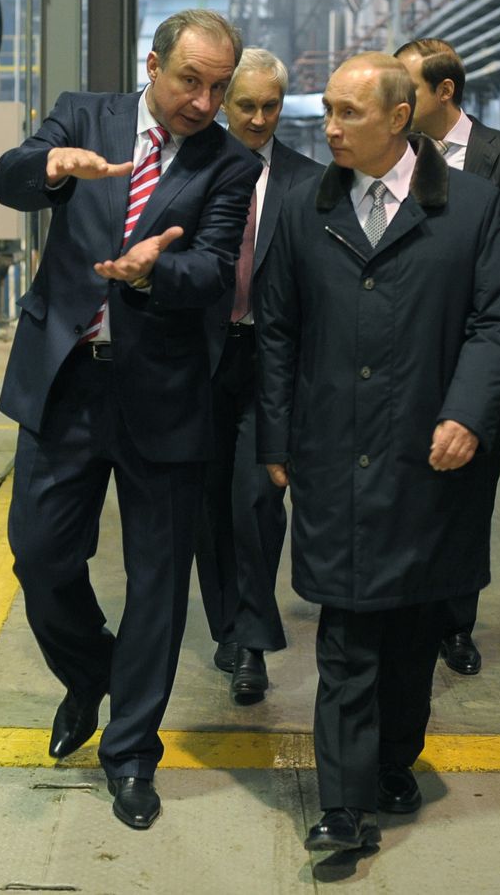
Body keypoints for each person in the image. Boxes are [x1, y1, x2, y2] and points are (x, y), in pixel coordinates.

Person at [0, 8, 261, 830]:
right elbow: (10, 177)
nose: (204, 102)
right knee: (40, 557)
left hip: (164, 393)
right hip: (66, 382)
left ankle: (133, 753)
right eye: (190, 81)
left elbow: (212, 269)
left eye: (219, 87)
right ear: (153, 65)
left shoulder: (230, 163)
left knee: (157, 584)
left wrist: (150, 272)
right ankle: (90, 673)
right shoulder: (84, 115)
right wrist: (49, 166)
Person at [255, 52, 500, 853]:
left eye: (349, 112)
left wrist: (468, 413)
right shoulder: (303, 208)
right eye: (327, 111)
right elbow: (277, 331)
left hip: (428, 456)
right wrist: (277, 436)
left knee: (412, 626)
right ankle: (341, 807)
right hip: (334, 452)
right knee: (345, 631)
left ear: (400, 118)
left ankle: (394, 759)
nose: (330, 128)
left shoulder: (472, 208)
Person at [395, 37, 500, 676]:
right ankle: (406, 608)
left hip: (479, 360)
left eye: (407, 88)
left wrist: (497, 343)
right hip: (406, 357)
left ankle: (455, 624)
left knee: (466, 499)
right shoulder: (396, 155)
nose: (395, 99)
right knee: (406, 487)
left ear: (444, 91)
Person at [194, 48, 320, 704]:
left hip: (271, 366)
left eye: (271, 106)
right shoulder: (191, 168)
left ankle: (251, 643)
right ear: (224, 102)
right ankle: (227, 622)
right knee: (207, 505)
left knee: (257, 500)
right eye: (246, 105)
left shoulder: (310, 182)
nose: (259, 118)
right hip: (198, 365)